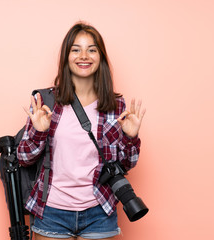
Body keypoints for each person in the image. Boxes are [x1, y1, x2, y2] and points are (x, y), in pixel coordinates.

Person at [17, 22, 146, 240]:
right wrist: (39, 132)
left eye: (91, 49)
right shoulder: (46, 101)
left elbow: (126, 165)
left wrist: (131, 138)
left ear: (101, 57)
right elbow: (23, 158)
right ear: (66, 57)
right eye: (76, 49)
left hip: (100, 210)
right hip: (51, 210)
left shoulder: (117, 106)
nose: (83, 56)